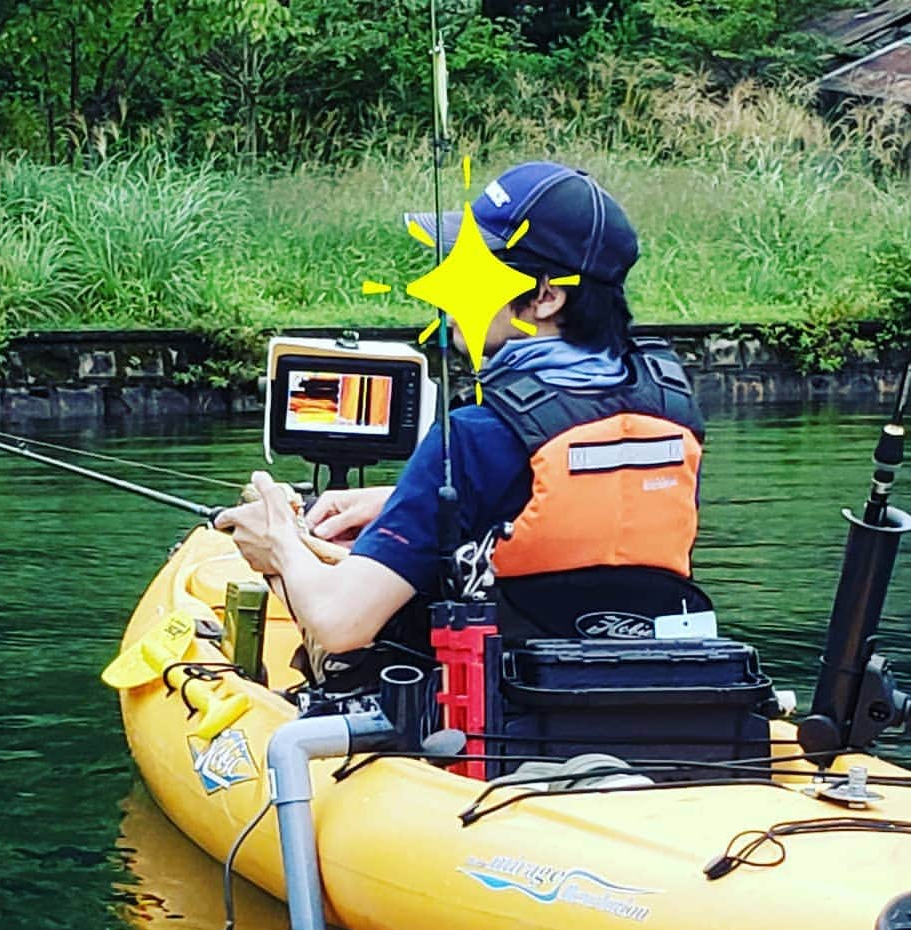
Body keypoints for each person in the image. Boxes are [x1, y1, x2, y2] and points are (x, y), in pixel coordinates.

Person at [215, 161, 706, 659]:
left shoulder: (473, 436)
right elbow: (594, 528)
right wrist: (407, 501)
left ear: (545, 296)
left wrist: (280, 542)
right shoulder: (670, 405)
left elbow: (340, 625)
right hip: (655, 692)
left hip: (499, 724)